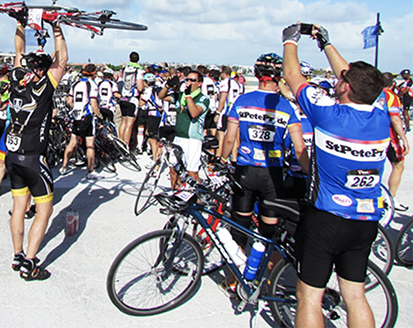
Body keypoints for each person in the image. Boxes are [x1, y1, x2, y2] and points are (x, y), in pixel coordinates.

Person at [282, 23, 390, 328]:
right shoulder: (380, 113)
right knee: (354, 295)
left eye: (343, 80)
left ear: (345, 88)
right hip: (366, 221)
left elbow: (293, 77)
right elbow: (361, 83)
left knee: (309, 298)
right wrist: (326, 44)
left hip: (327, 219)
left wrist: (290, 41)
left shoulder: (329, 113)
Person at [220, 53, 307, 275]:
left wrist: (221, 159)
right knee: (269, 230)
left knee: (240, 226)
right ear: (278, 77)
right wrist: (310, 175)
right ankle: (266, 277)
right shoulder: (287, 107)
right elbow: (299, 148)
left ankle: (234, 279)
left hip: (245, 172)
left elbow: (230, 139)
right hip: (273, 174)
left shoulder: (242, 100)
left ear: (257, 74)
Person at [5, 20, 67, 281]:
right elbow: (62, 59)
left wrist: (21, 24)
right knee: (44, 211)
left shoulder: (17, 80)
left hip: (12, 156)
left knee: (19, 206)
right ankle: (30, 263)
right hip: (33, 158)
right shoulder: (44, 88)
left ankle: (18, 254)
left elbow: (18, 51)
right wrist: (57, 28)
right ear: (42, 70)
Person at [159, 68, 211, 186]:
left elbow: (194, 113)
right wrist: (167, 86)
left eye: (193, 80)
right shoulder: (180, 96)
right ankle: (176, 196)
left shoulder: (203, 99)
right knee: (173, 170)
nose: (189, 82)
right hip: (178, 137)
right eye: (187, 79)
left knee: (191, 173)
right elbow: (161, 96)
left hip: (192, 139)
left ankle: (198, 200)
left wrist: (188, 96)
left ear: (200, 83)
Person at [60, 64, 102, 180]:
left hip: (77, 116)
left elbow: (69, 101)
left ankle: (63, 167)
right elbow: (93, 104)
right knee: (90, 145)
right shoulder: (92, 85)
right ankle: (90, 170)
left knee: (72, 142)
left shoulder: (75, 84)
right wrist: (100, 116)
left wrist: (76, 108)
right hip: (87, 116)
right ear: (94, 73)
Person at [382, 72, 410, 210]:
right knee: (399, 166)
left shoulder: (372, 94)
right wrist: (404, 139)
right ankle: (391, 199)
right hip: (389, 137)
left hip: (372, 137)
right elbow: (395, 119)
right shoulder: (391, 96)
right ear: (393, 84)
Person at [118, 51, 144, 148]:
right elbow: (140, 87)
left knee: (123, 121)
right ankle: (126, 145)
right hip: (132, 99)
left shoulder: (124, 69)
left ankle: (120, 143)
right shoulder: (139, 70)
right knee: (129, 124)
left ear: (129, 59)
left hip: (123, 98)